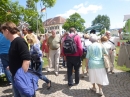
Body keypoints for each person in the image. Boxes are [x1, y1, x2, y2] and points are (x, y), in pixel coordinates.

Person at [1, 22, 31, 97]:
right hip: (15, 76)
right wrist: (11, 67)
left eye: (3, 32)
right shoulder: (13, 42)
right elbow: (17, 59)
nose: (2, 34)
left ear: (7, 31)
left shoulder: (19, 41)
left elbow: (26, 60)